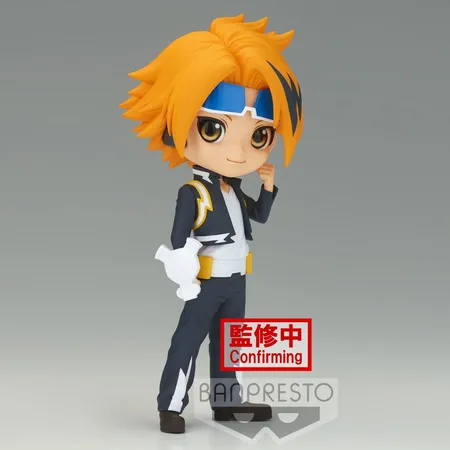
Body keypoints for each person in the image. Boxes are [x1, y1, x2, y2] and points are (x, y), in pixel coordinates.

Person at [120, 13, 303, 434]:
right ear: (178, 130)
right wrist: (184, 272)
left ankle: (227, 402)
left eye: (259, 135)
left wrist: (268, 188)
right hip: (207, 281)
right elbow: (177, 239)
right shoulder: (193, 193)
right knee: (188, 340)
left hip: (237, 280)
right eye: (212, 127)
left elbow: (258, 217)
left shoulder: (234, 190)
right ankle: (171, 406)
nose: (239, 152)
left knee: (230, 344)